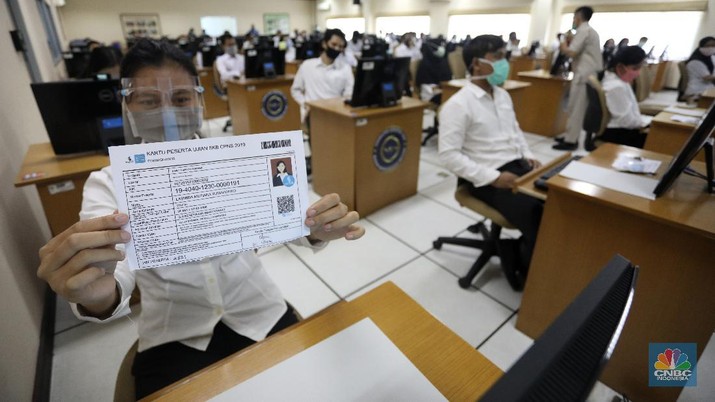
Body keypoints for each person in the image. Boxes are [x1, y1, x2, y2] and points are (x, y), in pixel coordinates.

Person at [36, 38, 365, 400]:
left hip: (259, 309)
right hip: (173, 333)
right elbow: (113, 275)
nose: (166, 112)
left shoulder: (240, 156)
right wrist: (97, 295)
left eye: (180, 99)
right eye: (148, 100)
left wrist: (319, 227)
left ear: (199, 100)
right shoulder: (109, 183)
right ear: (127, 105)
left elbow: (293, 214)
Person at [438, 34, 543, 290]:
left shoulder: (502, 96)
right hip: (485, 178)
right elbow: (448, 156)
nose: (504, 62)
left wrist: (528, 154)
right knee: (538, 217)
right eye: (498, 57)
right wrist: (494, 178)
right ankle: (521, 264)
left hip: (517, 166)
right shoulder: (459, 104)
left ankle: (526, 253)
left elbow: (515, 131)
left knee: (557, 202)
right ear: (476, 64)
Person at [553, 6, 603, 150]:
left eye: (574, 17)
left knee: (577, 108)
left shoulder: (584, 30)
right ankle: (569, 135)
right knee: (574, 105)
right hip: (585, 73)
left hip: (584, 74)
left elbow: (571, 52)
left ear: (578, 17)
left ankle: (571, 141)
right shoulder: (589, 31)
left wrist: (562, 40)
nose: (573, 20)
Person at [290, 28, 354, 123]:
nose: (337, 49)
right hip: (312, 115)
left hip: (336, 115)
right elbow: (295, 90)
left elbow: (349, 94)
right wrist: (304, 104)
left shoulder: (345, 68)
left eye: (340, 47)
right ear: (324, 44)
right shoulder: (307, 66)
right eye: (334, 44)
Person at [600, 45, 651, 148]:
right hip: (618, 134)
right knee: (657, 140)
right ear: (620, 67)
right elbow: (626, 121)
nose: (637, 73)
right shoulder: (616, 87)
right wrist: (643, 123)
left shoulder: (619, 81)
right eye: (635, 68)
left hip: (622, 129)